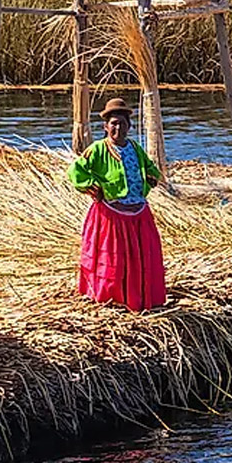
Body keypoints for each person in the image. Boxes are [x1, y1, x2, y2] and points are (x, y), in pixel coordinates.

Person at [68, 98, 166, 312]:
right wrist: (92, 187)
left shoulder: (135, 148)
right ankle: (111, 297)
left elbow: (150, 167)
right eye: (113, 123)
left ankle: (139, 296)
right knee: (113, 259)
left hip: (138, 212)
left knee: (141, 258)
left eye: (122, 123)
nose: (118, 128)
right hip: (112, 215)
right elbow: (76, 171)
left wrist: (151, 178)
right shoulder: (98, 150)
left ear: (129, 126)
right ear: (105, 127)